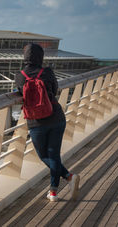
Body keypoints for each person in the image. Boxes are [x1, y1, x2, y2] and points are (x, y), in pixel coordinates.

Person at [15, 43, 80, 202]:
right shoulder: (48, 72)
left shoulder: (20, 75)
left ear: (25, 57)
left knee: (44, 155)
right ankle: (56, 188)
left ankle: (66, 180)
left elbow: (19, 94)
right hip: (56, 117)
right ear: (40, 56)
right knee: (54, 154)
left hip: (35, 121)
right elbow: (55, 89)